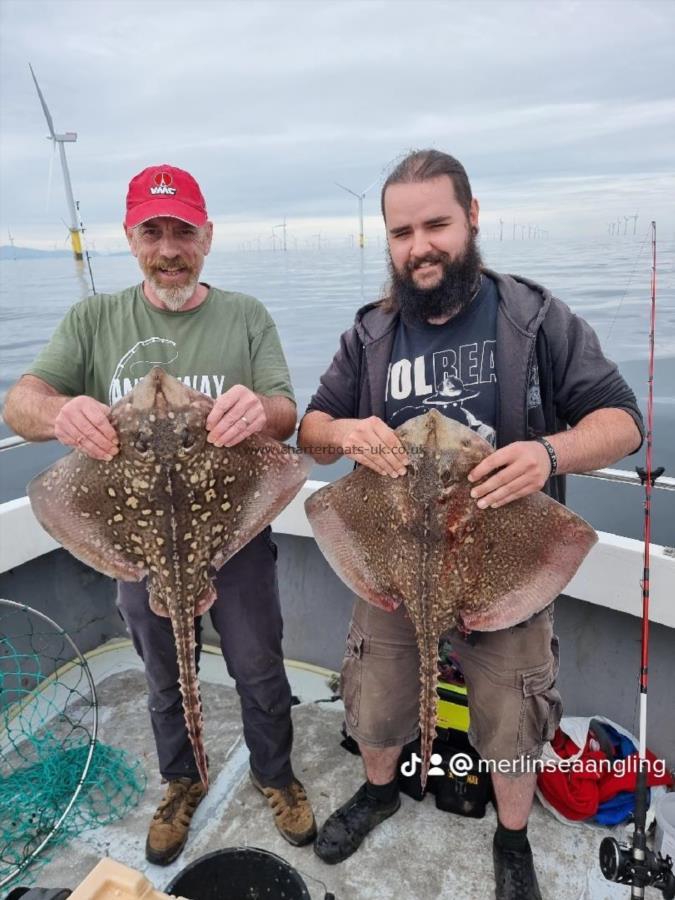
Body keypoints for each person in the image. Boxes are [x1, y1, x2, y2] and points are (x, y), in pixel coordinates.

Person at [298, 149, 643, 900]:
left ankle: (511, 837)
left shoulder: (534, 317)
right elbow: (311, 429)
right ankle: (380, 791)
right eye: (400, 232)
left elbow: (623, 422)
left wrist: (548, 452)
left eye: (435, 224)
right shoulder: (371, 334)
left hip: (503, 559)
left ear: (472, 218)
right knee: (378, 689)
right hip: (392, 559)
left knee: (510, 709)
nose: (418, 246)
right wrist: (347, 431)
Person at [3, 164, 316, 866]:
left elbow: (287, 415)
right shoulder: (94, 319)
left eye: (184, 232)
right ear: (130, 237)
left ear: (207, 237)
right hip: (136, 545)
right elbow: (19, 406)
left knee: (259, 668)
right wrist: (61, 412)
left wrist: (258, 411)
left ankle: (275, 775)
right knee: (162, 673)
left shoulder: (244, 315)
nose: (169, 248)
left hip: (233, 541)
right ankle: (181, 782)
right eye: (153, 231)